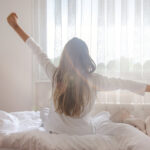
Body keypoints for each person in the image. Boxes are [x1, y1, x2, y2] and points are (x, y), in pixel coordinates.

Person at [7, 12, 150, 149]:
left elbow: (37, 51)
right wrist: (147, 87)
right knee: (102, 118)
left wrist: (15, 26)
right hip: (83, 132)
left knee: (46, 112)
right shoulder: (94, 81)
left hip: (54, 130)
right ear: (85, 58)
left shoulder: (56, 75)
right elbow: (121, 82)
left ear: (65, 58)